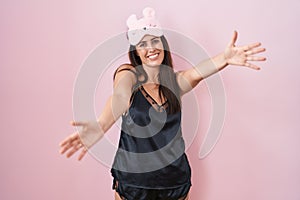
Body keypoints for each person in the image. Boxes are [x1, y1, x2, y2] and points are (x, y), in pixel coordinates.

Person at [59, 7, 266, 200]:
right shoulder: (127, 73)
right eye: (142, 44)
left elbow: (197, 73)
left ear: (163, 45)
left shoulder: (175, 84)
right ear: (136, 52)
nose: (150, 48)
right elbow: (119, 97)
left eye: (155, 41)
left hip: (175, 181)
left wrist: (225, 57)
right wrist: (102, 124)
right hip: (134, 182)